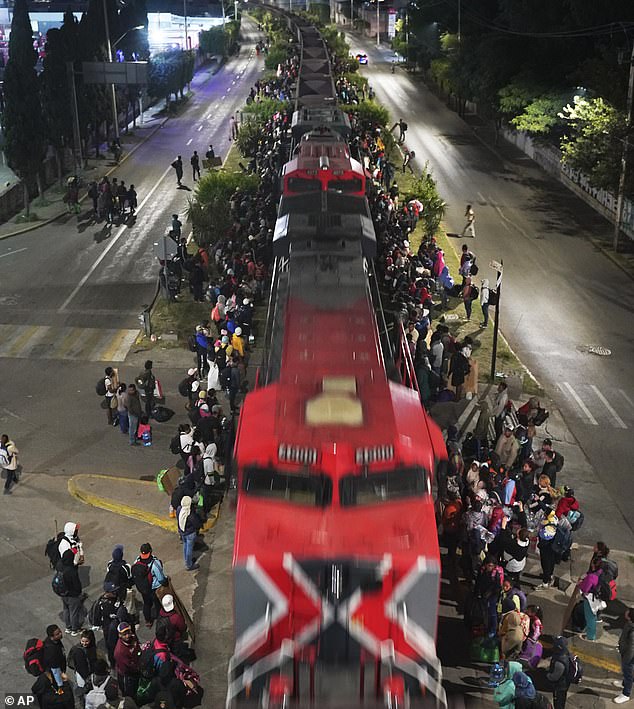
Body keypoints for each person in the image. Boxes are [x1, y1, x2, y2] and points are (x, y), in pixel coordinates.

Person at [132, 543, 167, 627]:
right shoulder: (155, 563)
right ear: (150, 551)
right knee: (157, 604)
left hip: (143, 589)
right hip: (154, 589)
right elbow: (161, 579)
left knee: (147, 604)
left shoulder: (137, 561)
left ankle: (148, 621)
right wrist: (165, 583)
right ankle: (160, 621)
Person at [57, 549, 86, 634]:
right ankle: (75, 629)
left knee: (66, 609)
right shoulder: (71, 571)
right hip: (72, 594)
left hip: (63, 592)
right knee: (74, 612)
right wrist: (79, 592)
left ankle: (68, 627)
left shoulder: (60, 565)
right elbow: (77, 584)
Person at [68, 629, 99, 704]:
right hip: (82, 675)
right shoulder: (78, 651)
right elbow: (80, 667)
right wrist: (87, 677)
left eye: (86, 641)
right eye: (83, 641)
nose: (84, 643)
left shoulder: (91, 648)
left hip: (88, 673)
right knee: (84, 690)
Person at [114, 622, 141, 698]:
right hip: (127, 675)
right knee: (129, 694)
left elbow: (138, 647)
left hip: (136, 668)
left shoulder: (133, 637)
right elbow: (127, 667)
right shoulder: (119, 651)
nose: (127, 636)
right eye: (124, 634)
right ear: (119, 635)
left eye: (128, 632)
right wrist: (138, 668)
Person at [177, 495, 204, 571]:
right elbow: (197, 523)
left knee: (185, 546)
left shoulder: (179, 509)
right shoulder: (190, 514)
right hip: (190, 533)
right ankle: (189, 565)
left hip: (182, 532)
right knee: (189, 548)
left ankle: (186, 560)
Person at [613, 607, 634, 704]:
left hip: (629, 657)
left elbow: (632, 648)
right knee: (627, 674)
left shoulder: (632, 630)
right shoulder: (630, 625)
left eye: (628, 611)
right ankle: (624, 683)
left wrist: (626, 659)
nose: (626, 612)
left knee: (628, 674)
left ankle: (626, 694)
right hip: (626, 654)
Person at [547, 636, 572, 709]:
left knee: (558, 703)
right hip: (565, 683)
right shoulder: (565, 653)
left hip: (560, 686)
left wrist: (548, 675)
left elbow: (554, 677)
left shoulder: (559, 663)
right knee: (562, 699)